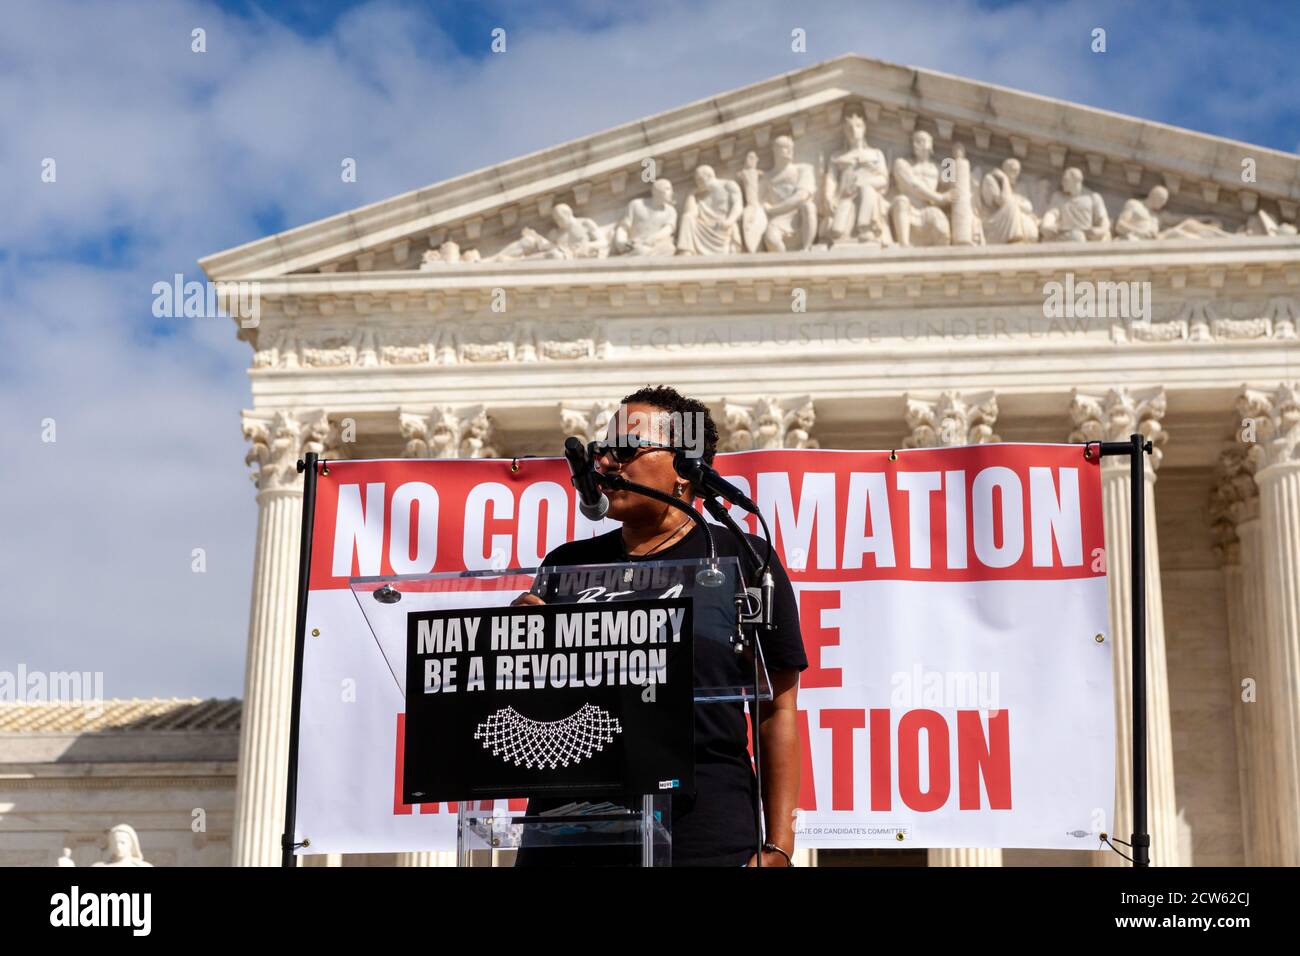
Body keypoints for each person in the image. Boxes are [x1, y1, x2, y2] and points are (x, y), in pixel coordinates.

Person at [511, 385, 808, 866]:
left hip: (702, 826)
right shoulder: (567, 564)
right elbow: (531, 703)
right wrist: (514, 644)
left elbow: (777, 707)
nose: (605, 462)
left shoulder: (743, 558)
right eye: (601, 449)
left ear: (686, 469)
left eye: (625, 449)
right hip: (570, 822)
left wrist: (779, 845)